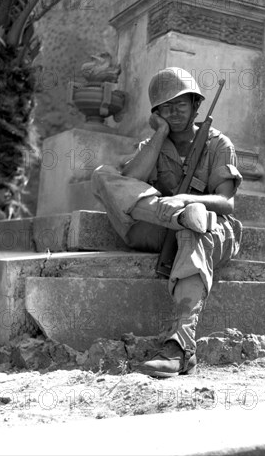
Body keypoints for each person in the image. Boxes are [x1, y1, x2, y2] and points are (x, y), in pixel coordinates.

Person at [91, 67, 242, 378]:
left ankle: (180, 347)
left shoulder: (218, 144)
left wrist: (189, 202)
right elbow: (129, 184)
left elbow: (227, 202)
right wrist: (159, 135)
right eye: (165, 108)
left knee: (194, 229)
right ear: (156, 114)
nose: (173, 113)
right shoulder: (154, 143)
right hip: (163, 224)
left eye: (180, 105)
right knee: (103, 175)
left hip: (213, 227)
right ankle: (174, 217)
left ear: (196, 105)